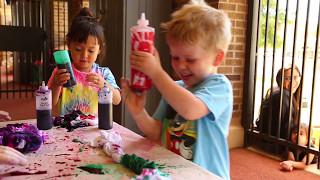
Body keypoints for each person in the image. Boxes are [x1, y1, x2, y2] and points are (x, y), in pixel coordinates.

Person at [121, 1, 232, 179]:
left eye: (190, 59)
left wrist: (157, 73)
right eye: (175, 57)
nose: (181, 65)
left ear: (217, 58)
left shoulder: (220, 87)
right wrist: (138, 111)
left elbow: (191, 109)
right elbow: (156, 131)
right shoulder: (176, 89)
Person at [48, 8, 121, 116]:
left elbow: (117, 100)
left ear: (99, 49)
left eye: (91, 51)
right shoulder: (62, 71)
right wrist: (55, 84)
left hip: (92, 128)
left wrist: (104, 84)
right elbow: (49, 103)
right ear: (69, 44)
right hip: (67, 127)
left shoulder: (103, 74)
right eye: (78, 49)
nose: (84, 55)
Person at [256, 64, 301, 156]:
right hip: (274, 144)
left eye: (295, 77)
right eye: (287, 78)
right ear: (280, 80)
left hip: (269, 140)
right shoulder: (283, 96)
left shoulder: (280, 93)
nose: (293, 81)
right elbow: (286, 127)